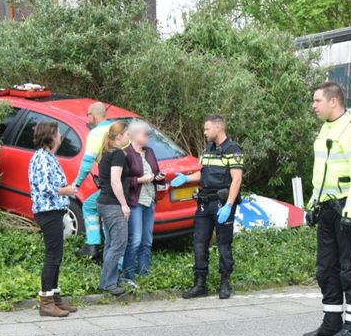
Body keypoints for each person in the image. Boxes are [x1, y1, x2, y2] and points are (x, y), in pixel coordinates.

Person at [302, 82, 351, 336]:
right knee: (325, 269)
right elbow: (321, 175)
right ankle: (332, 322)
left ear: (333, 101)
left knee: (348, 270)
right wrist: (312, 205)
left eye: (317, 100)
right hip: (327, 209)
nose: (314, 105)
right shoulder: (326, 129)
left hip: (345, 209)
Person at [171, 115, 244, 300]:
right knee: (200, 243)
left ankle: (225, 283)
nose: (205, 132)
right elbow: (202, 173)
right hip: (205, 203)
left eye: (207, 129)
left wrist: (229, 205)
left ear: (218, 128)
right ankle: (200, 284)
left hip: (222, 204)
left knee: (224, 244)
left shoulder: (233, 149)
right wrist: (187, 178)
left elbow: (236, 180)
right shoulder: (207, 149)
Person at [28, 121, 79, 317]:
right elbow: (44, 188)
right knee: (52, 256)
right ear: (51, 136)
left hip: (54, 210)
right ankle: (46, 302)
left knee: (57, 256)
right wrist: (65, 190)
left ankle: (55, 298)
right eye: (58, 133)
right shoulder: (42, 158)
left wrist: (67, 189)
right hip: (47, 212)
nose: (61, 137)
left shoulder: (48, 157)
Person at [122, 120, 164, 288]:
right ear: (135, 134)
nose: (148, 137)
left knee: (147, 240)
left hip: (150, 200)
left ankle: (144, 273)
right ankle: (128, 276)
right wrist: (139, 180)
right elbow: (121, 180)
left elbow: (155, 170)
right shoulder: (126, 154)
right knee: (135, 240)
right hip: (135, 202)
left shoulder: (150, 152)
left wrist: (159, 176)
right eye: (146, 134)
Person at [96, 121, 132, 296]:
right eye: (126, 134)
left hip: (104, 202)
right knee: (119, 243)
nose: (128, 137)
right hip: (113, 204)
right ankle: (108, 283)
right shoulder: (117, 154)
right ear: (119, 137)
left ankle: (110, 280)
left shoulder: (106, 152)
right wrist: (124, 204)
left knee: (111, 244)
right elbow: (115, 180)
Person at [72, 102, 110, 259]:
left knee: (89, 206)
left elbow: (87, 163)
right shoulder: (117, 128)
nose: (88, 118)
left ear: (93, 115)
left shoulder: (96, 133)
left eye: (88, 115)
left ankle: (93, 246)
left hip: (112, 184)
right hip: (127, 182)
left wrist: (77, 184)